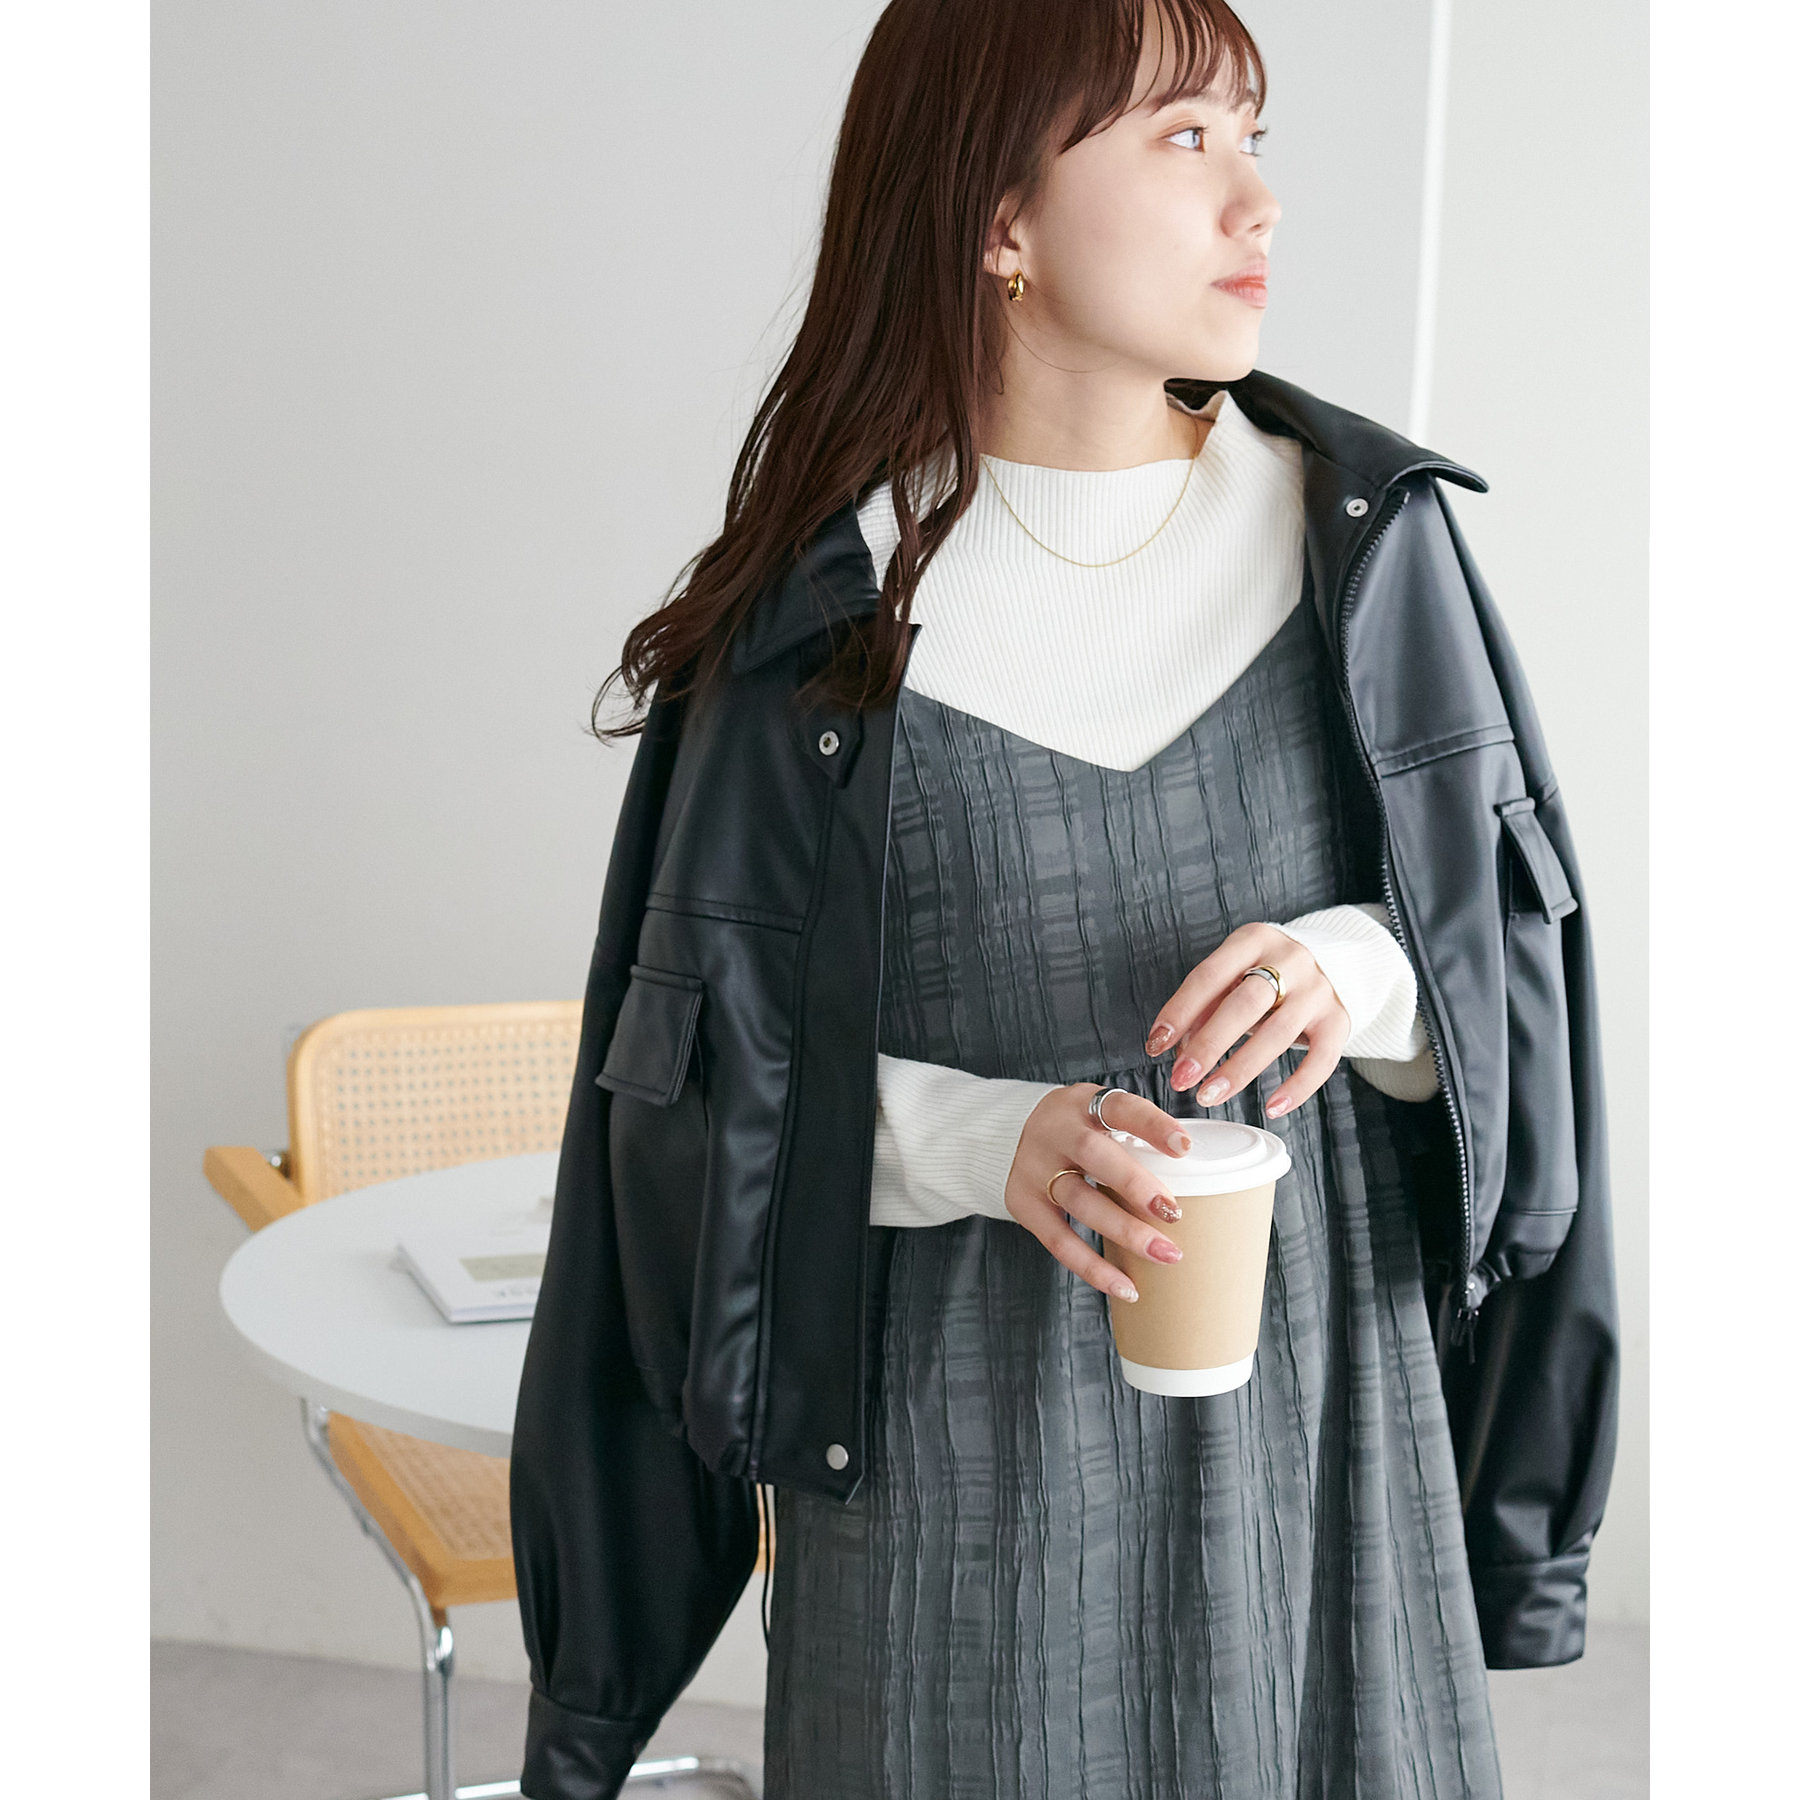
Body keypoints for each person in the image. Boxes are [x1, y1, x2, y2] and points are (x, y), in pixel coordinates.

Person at [508, 2, 1619, 1797]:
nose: (1255, 199)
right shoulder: (818, 621)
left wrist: (1368, 973)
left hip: (1324, 1451)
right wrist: (982, 1140)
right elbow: (689, 1123)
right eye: (1184, 139)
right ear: (998, 216)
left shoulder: (1368, 542)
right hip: (945, 1487)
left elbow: (1520, 1000)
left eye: (1253, 135)